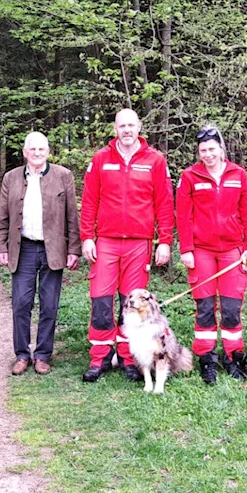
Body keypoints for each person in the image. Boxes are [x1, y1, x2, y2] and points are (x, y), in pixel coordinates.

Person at [79, 108, 174, 383]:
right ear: (115, 129)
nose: (127, 130)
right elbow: (89, 202)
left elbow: (164, 205)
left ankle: (128, 357)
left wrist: (164, 241)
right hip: (106, 241)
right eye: (122, 126)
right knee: (100, 299)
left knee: (131, 302)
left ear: (139, 127)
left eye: (132, 125)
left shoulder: (155, 160)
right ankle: (99, 358)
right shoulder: (100, 159)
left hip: (139, 243)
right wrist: (87, 236)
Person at [175, 126, 247, 384]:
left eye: (212, 149)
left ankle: (233, 357)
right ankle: (207, 358)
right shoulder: (189, 177)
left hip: (232, 251)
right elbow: (183, 216)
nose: (208, 155)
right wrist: (186, 249)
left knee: (232, 308)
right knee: (205, 308)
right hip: (201, 251)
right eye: (203, 151)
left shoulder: (238, 175)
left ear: (222, 149)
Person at [0, 132, 81, 376]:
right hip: (22, 249)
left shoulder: (63, 176)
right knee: (21, 304)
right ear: (24, 152)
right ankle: (22, 354)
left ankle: (42, 355)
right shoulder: (11, 178)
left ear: (48, 151)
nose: (37, 153)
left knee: (49, 305)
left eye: (42, 149)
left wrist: (74, 249)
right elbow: (2, 216)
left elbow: (72, 217)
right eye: (32, 149)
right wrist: (2, 247)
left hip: (53, 249)